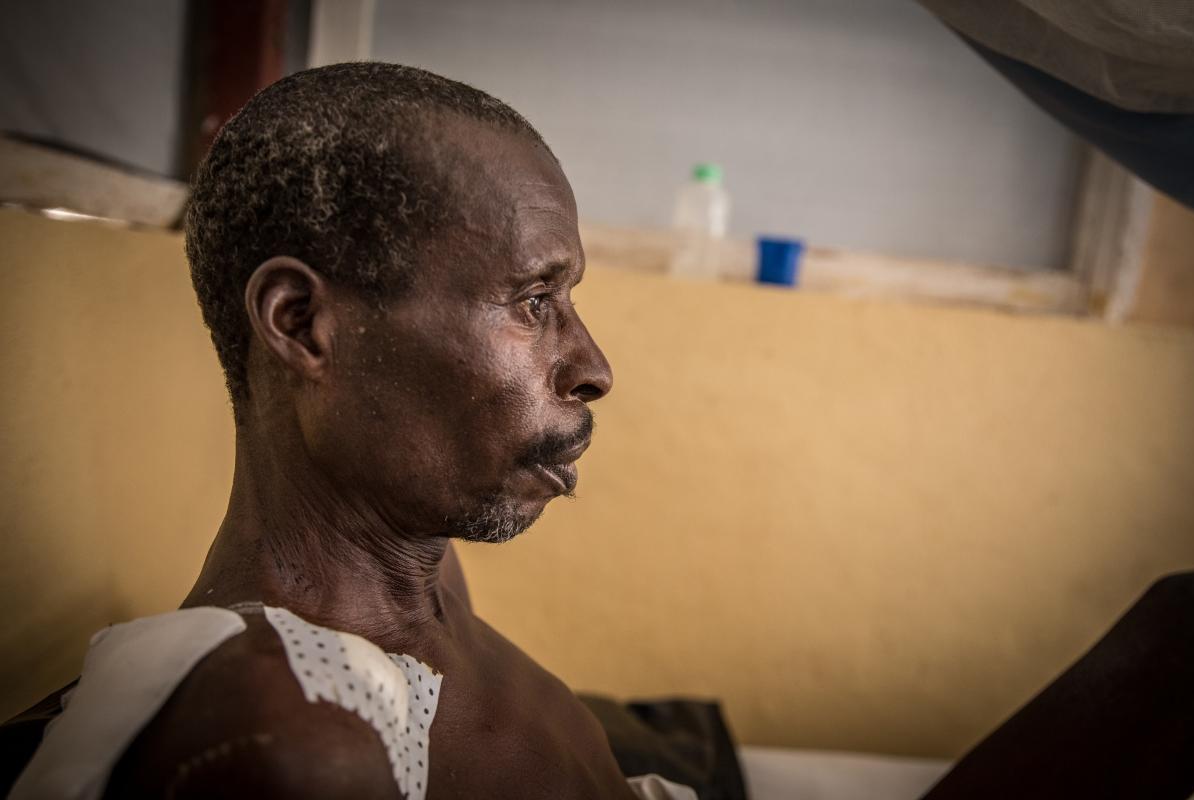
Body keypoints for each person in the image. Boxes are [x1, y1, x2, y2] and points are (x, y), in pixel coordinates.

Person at [7, 62, 696, 800]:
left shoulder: (421, 586)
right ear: (301, 323)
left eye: (566, 298)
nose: (593, 369)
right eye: (533, 301)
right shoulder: (291, 738)